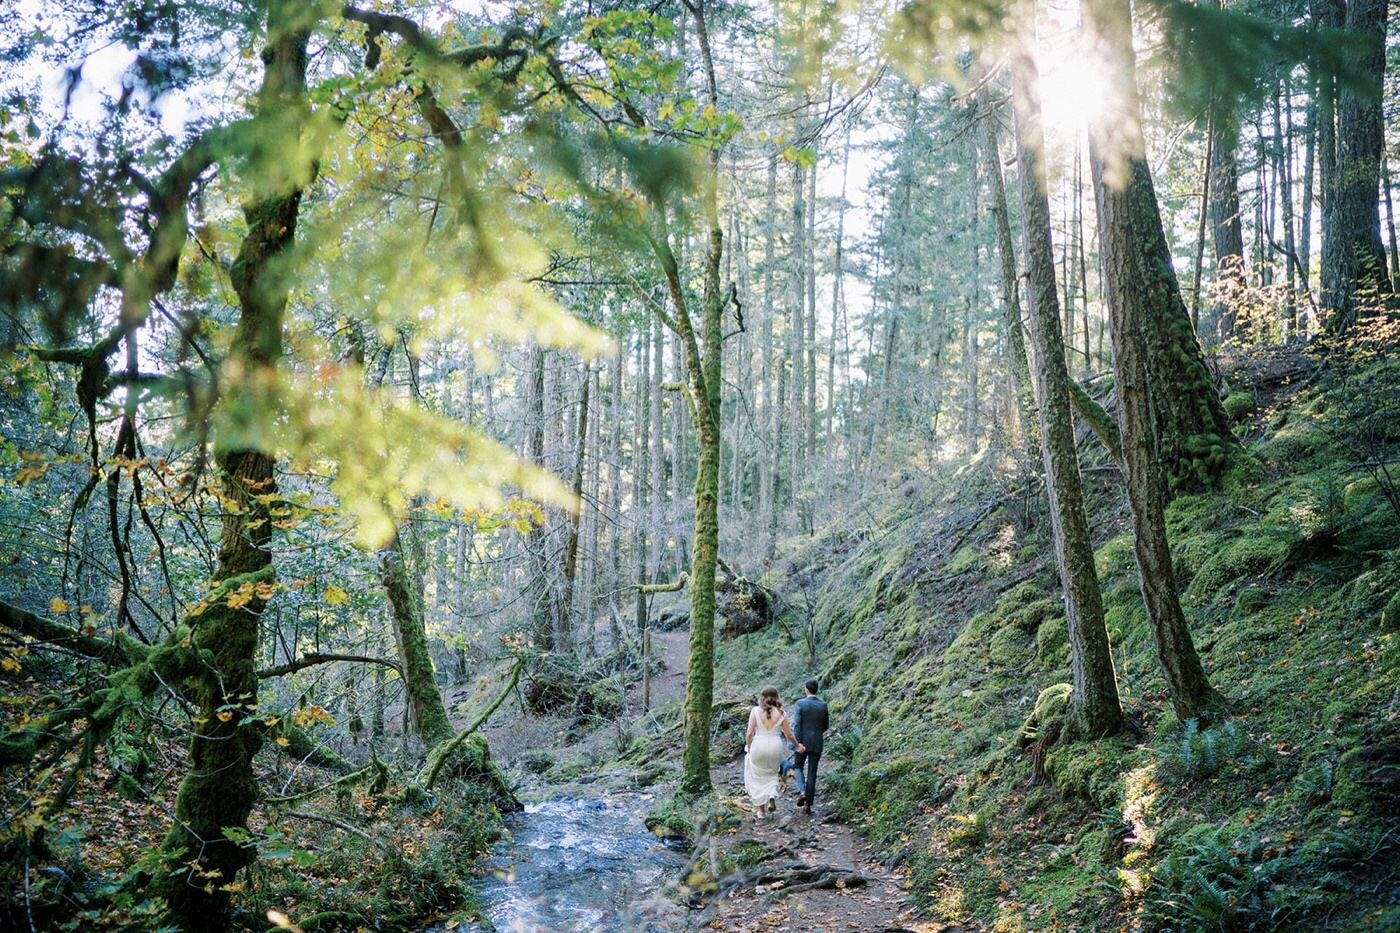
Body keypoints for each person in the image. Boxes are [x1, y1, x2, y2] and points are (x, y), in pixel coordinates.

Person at [744, 686, 804, 818]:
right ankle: (771, 795)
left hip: (759, 745)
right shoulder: (782, 713)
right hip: (775, 747)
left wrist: (749, 748)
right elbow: (788, 734)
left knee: (757, 777)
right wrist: (797, 745)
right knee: (772, 774)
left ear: (762, 697)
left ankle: (762, 812)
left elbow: (749, 734)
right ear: (777, 697)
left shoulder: (755, 711)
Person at [792, 679, 829, 815]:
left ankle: (802, 791)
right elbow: (826, 725)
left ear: (806, 689)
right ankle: (808, 805)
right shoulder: (823, 705)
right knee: (812, 773)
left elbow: (796, 725)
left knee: (798, 766)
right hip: (817, 741)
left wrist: (797, 742)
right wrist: (816, 733)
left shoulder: (800, 704)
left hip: (802, 741)